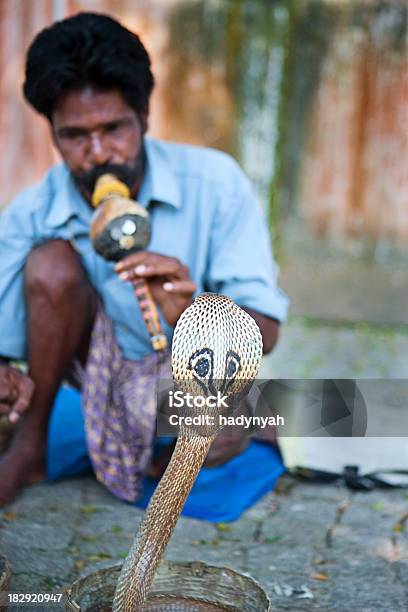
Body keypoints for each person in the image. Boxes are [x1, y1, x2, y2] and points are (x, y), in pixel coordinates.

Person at [0, 12, 289, 507]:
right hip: (98, 380)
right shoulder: (33, 212)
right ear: (52, 132)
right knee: (49, 263)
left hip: (185, 383)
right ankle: (29, 447)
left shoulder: (216, 184)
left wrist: (195, 310)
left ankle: (216, 432)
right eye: (75, 135)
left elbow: (266, 332)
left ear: (145, 117)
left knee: (232, 428)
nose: (98, 153)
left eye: (114, 128)